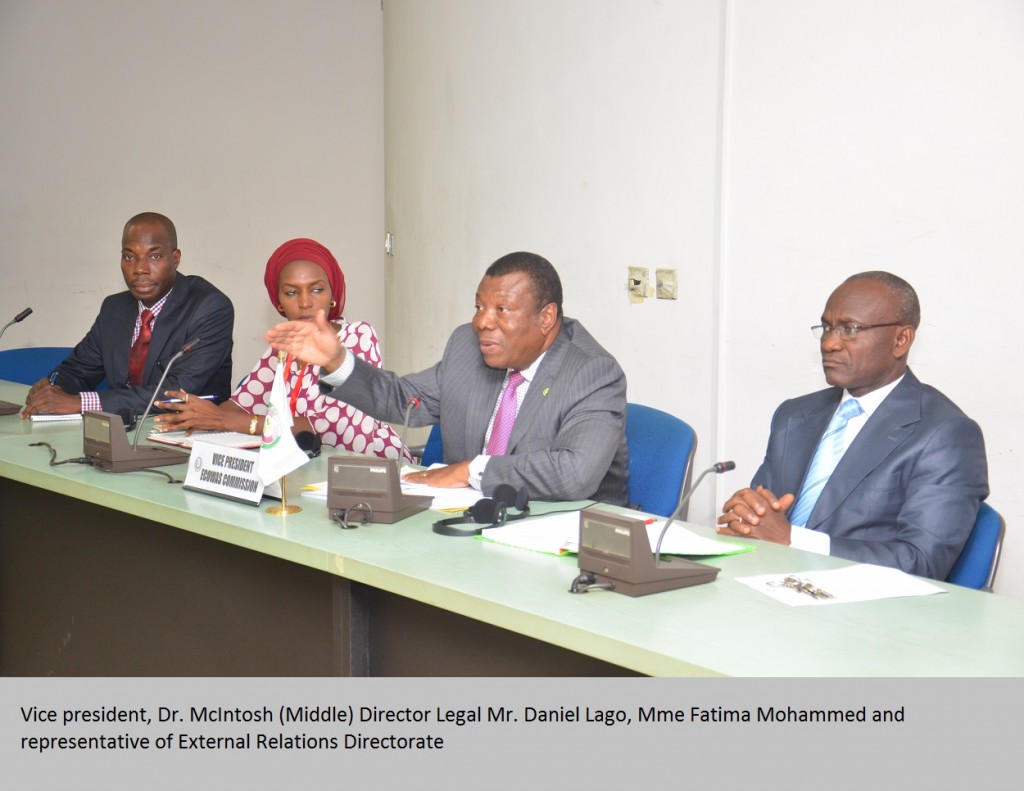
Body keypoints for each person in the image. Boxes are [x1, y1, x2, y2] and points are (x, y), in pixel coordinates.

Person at [264, 251, 629, 504]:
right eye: (479, 307)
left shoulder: (591, 372)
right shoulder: (467, 348)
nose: (482, 322)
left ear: (547, 318)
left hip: (567, 545)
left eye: (501, 310)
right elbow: (402, 400)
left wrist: (471, 471)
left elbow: (575, 472)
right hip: (470, 527)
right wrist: (337, 360)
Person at [716, 271, 988, 580]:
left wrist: (792, 539)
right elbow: (763, 518)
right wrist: (747, 515)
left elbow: (922, 562)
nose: (830, 343)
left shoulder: (945, 434)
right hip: (764, 583)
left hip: (860, 610)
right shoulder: (795, 415)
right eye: (828, 327)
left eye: (850, 329)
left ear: (901, 339)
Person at [152, 238, 411, 461]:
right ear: (279, 303)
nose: (305, 303)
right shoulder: (282, 348)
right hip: (306, 469)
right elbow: (241, 405)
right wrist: (197, 415)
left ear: (333, 295)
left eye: (317, 289)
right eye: (291, 293)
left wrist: (222, 421)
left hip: (371, 471)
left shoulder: (357, 336)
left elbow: (329, 426)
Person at [21, 212, 233, 418]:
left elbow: (175, 392)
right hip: (122, 432)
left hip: (190, 434)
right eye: (129, 256)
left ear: (175, 259)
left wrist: (80, 402)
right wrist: (52, 388)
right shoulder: (115, 308)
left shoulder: (209, 308)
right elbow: (79, 369)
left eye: (155, 256)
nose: (140, 269)